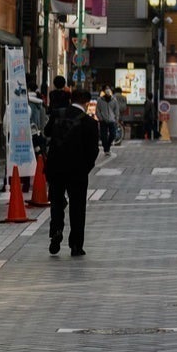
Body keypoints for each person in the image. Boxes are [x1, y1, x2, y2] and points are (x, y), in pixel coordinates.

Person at [45, 88, 102, 257]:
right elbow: (93, 151)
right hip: (78, 171)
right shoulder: (90, 123)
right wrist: (85, 168)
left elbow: (47, 133)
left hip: (55, 168)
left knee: (56, 202)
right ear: (86, 102)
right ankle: (76, 245)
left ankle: (56, 231)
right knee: (77, 207)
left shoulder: (57, 114)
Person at [94, 86, 119, 154]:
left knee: (113, 134)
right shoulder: (100, 100)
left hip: (111, 120)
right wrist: (100, 118)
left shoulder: (114, 100)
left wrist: (116, 119)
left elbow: (116, 110)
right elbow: (97, 110)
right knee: (103, 136)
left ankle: (107, 146)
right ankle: (106, 149)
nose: (108, 91)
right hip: (103, 120)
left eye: (109, 89)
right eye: (106, 89)